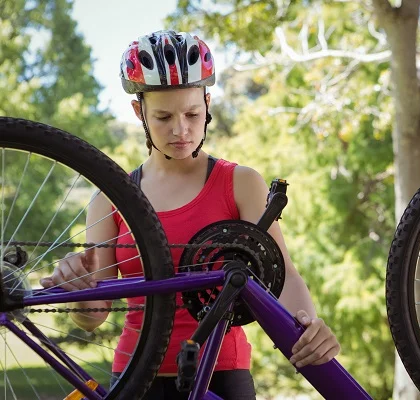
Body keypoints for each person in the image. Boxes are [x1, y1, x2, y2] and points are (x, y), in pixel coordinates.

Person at [40, 30, 340, 399]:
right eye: (163, 116)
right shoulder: (111, 197)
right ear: (139, 112)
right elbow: (92, 316)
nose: (180, 129)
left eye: (193, 113)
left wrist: (307, 327)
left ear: (208, 104)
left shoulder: (241, 183)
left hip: (221, 374)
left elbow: (285, 276)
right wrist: (77, 286)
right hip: (135, 376)